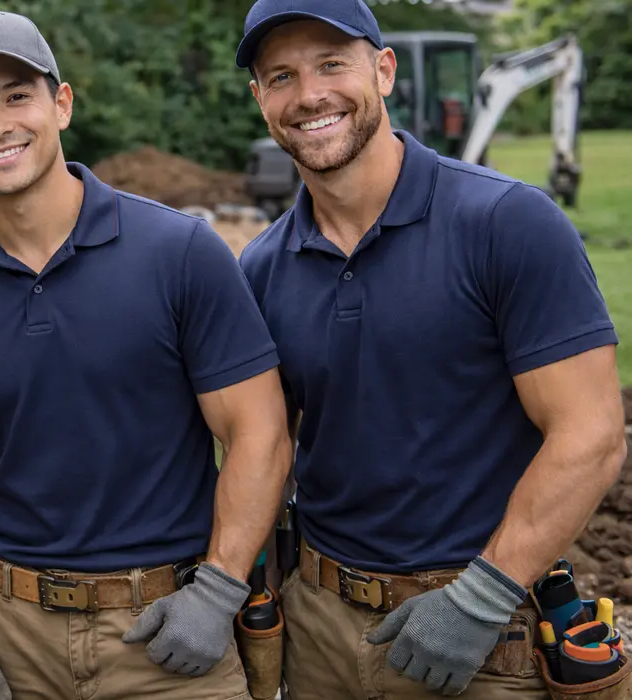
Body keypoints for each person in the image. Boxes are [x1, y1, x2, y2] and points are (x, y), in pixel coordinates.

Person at [0, 9, 295, 700]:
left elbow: (258, 431)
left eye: (17, 96)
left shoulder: (179, 255)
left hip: (168, 638)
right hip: (9, 640)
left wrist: (219, 592)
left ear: (62, 104)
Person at [233, 0, 627, 698]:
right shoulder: (263, 267)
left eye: (332, 65)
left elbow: (591, 433)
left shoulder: (507, 224)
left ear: (383, 71)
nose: (310, 94)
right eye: (282, 76)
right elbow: (259, 446)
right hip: (319, 629)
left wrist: (479, 598)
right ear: (260, 99)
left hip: (485, 630)